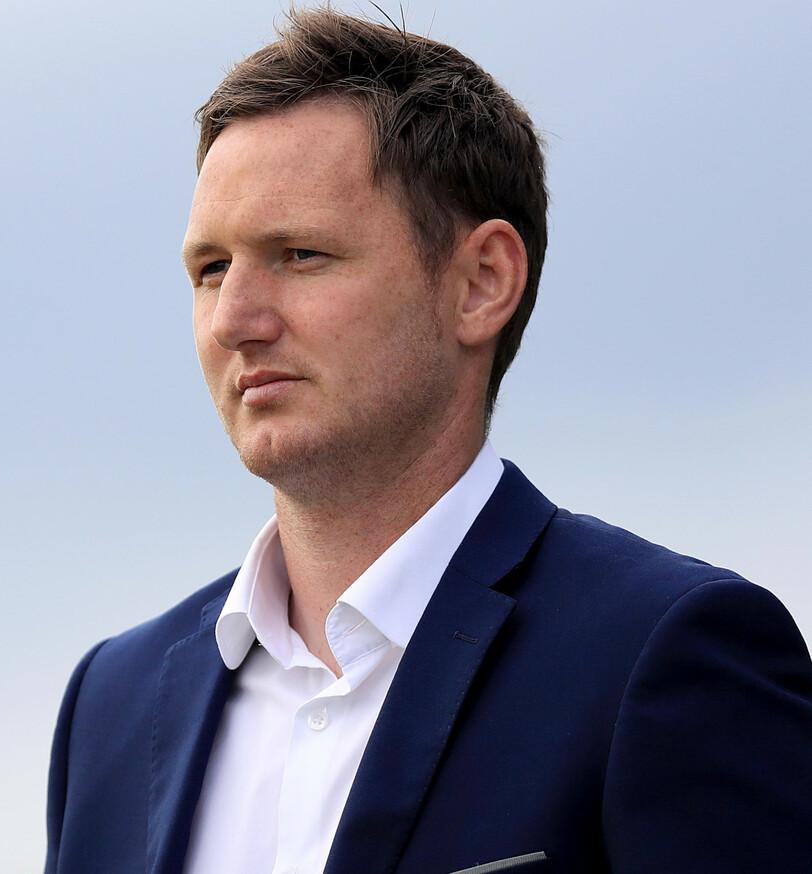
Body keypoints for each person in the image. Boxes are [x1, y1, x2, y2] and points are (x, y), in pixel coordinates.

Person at [44, 9, 812, 874]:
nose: (234, 320)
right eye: (211, 269)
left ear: (482, 282)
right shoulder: (110, 707)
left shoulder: (662, 652)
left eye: (299, 254)